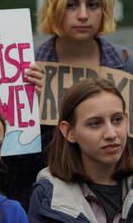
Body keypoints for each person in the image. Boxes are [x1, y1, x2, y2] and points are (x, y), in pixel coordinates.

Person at [28, 78, 133, 223]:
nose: (111, 134)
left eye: (117, 120)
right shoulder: (48, 195)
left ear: (127, 120)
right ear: (69, 132)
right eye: (95, 123)